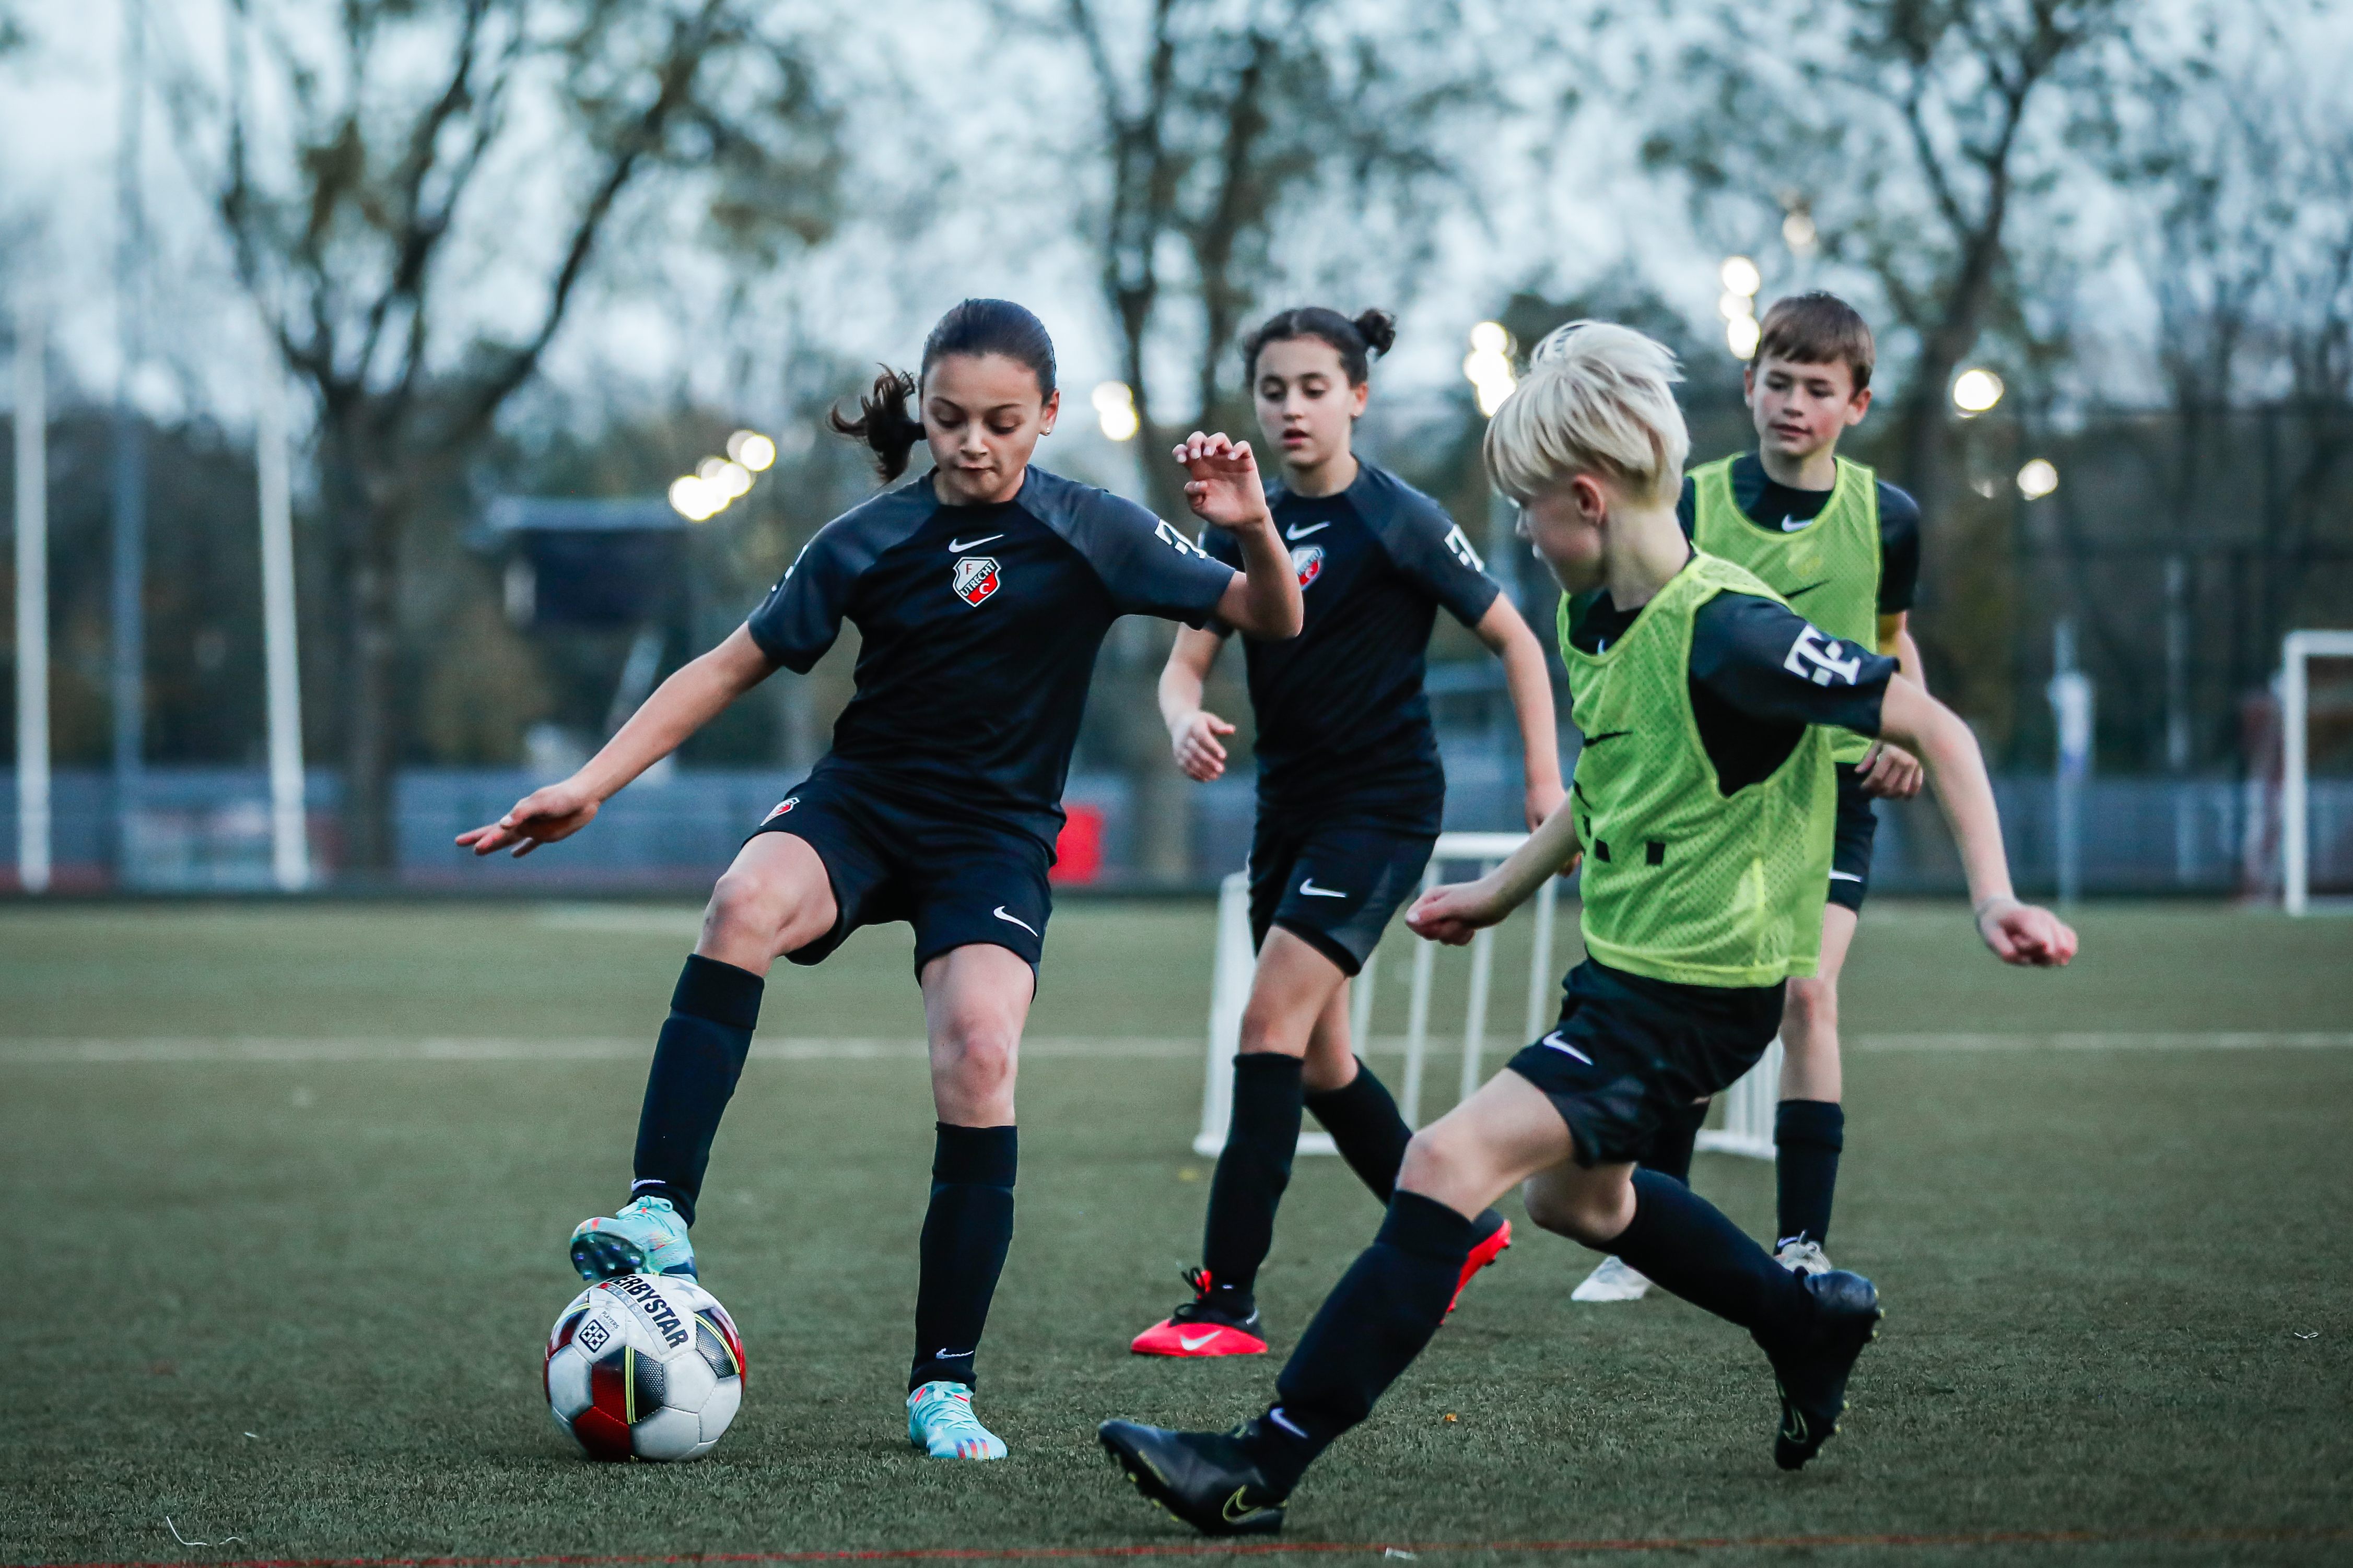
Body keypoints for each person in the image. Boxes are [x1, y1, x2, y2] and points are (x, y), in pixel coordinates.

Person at [1097, 321, 2075, 1536]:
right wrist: (1501, 891)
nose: (1522, 535)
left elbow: (1938, 730)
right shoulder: (1598, 615)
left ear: (1589, 496)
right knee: (1584, 1204)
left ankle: (1258, 1460)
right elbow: (1612, 789)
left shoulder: (1736, 629)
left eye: (1528, 512)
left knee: (1445, 1163)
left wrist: (1994, 893)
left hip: (1702, 993)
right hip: (1625, 974)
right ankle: (1803, 1317)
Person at [456, 299, 1304, 1463]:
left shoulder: (1095, 530)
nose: (974, 443)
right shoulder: (866, 540)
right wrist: (593, 783)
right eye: (951, 417)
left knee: (980, 1055)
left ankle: (942, 1386)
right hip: (863, 808)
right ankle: (659, 1210)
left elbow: (1274, 613)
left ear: (1048, 415)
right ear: (926, 408)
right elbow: (726, 666)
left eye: (1005, 421)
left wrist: (1252, 521)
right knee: (742, 900)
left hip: (993, 840)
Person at [1133, 306, 1564, 1358]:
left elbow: (1513, 636)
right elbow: (1184, 663)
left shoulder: (1400, 519)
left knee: (1266, 1026)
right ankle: (1457, 1222)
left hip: (1381, 808)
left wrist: (1546, 783)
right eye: (1273, 389)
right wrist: (1186, 717)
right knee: (1321, 1060)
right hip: (1287, 810)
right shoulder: (1245, 521)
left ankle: (1224, 1299)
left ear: (1357, 397)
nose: (1291, 407)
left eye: (1314, 387)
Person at [1574, 291, 1928, 1303]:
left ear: (1857, 404)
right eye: (1779, 382)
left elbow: (1891, 645)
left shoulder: (1888, 518)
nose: (1794, 404)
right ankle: (1641, 1232)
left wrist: (1912, 741)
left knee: (1809, 993)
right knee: (1683, 990)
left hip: (1827, 791)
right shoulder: (1691, 501)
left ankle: (1801, 1244)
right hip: (1711, 792)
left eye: (1820, 389)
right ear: (1747, 385)